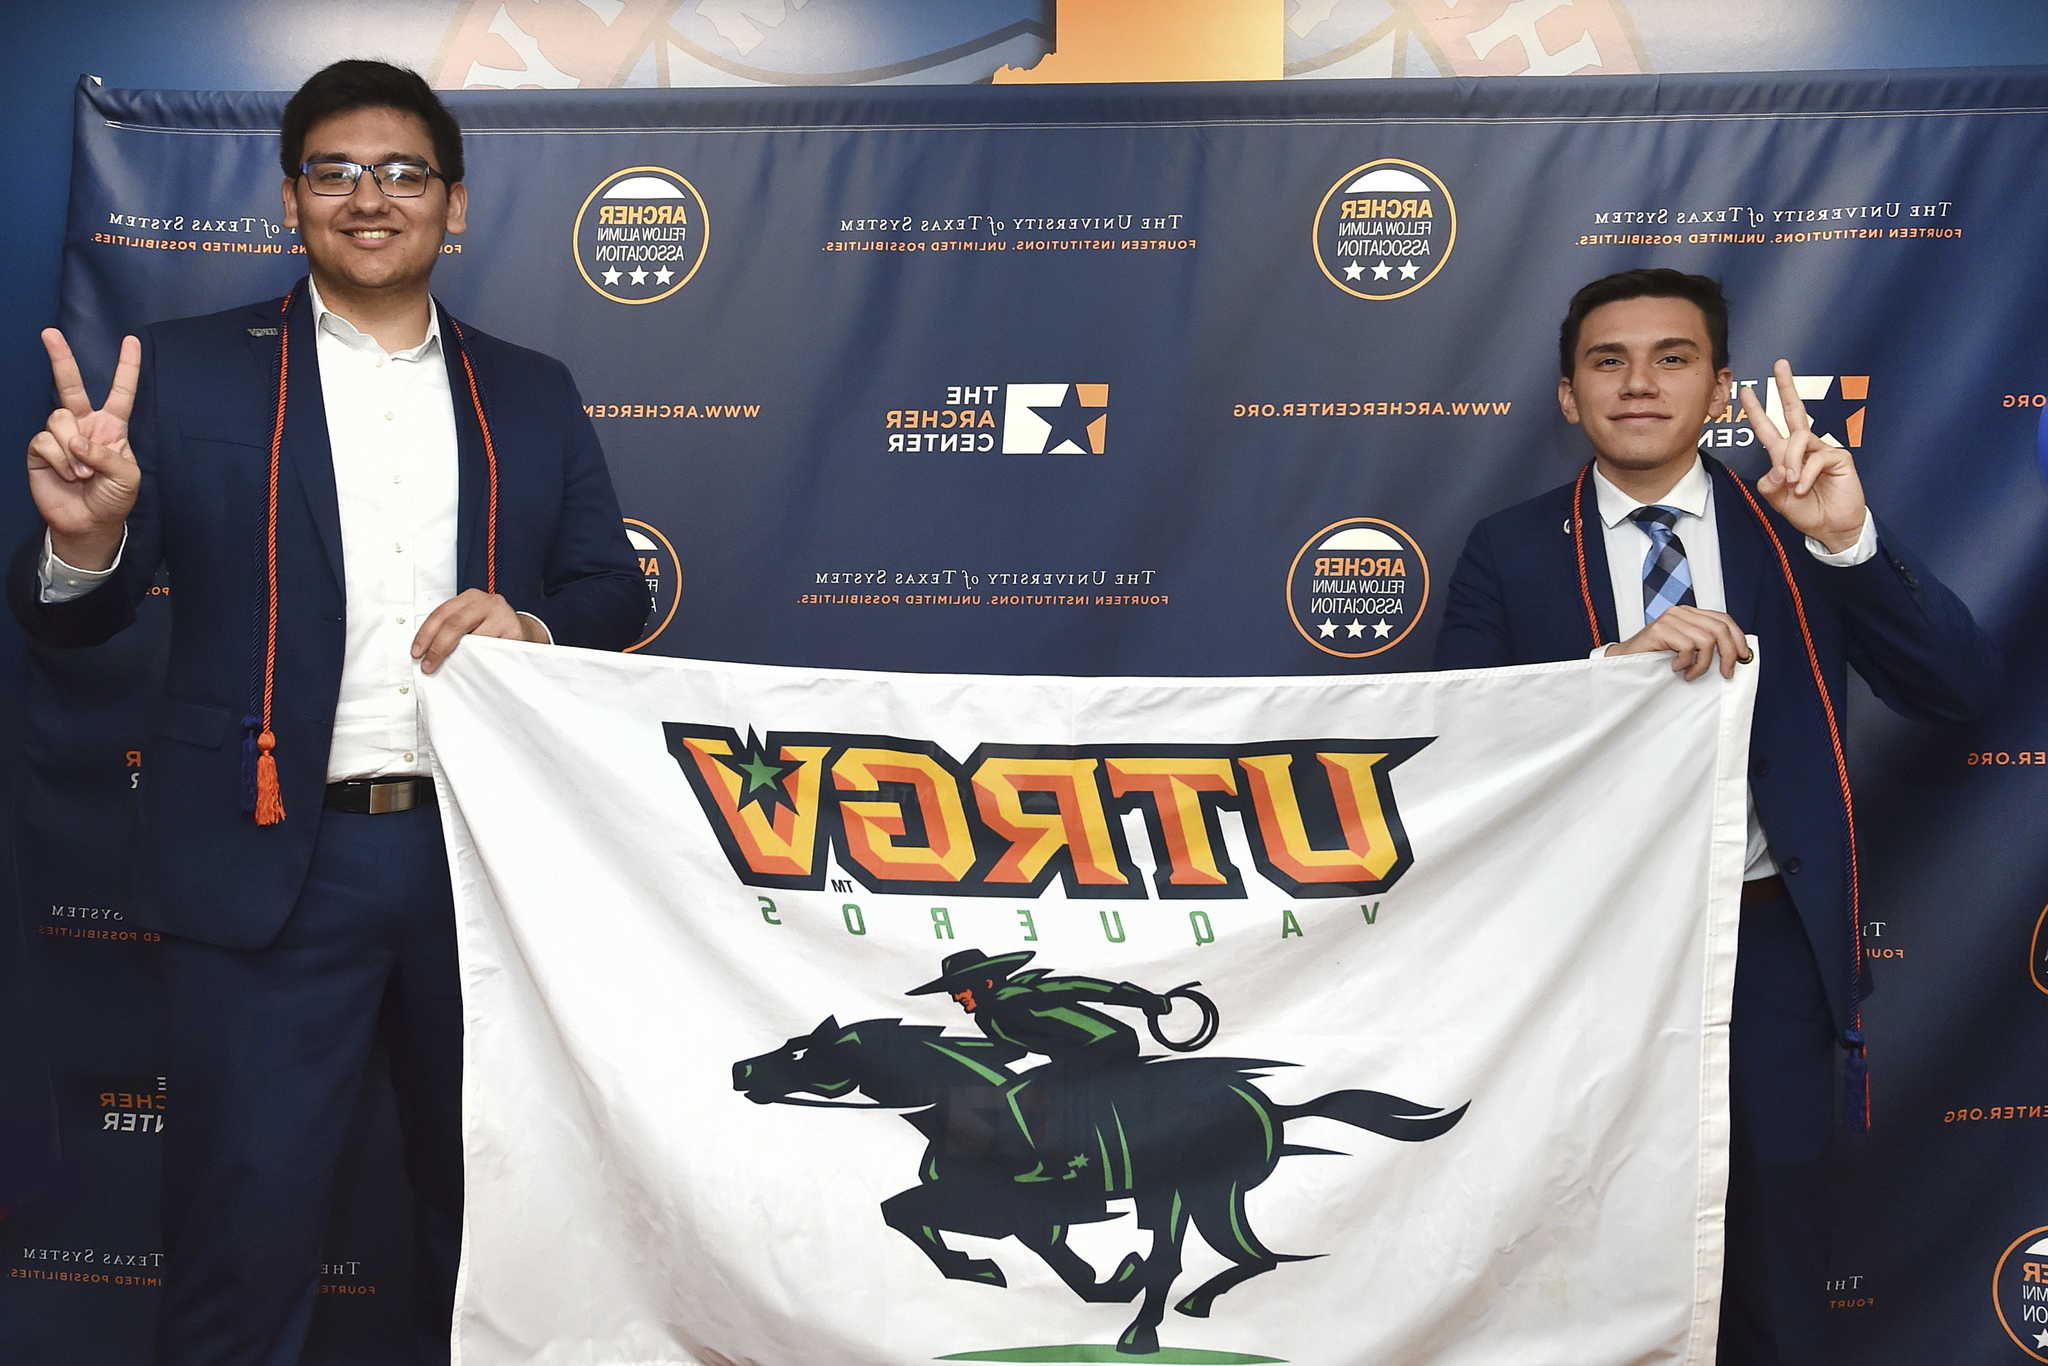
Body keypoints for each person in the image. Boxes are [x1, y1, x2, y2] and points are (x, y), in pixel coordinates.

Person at [8, 60, 647, 1366]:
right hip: (264, 866)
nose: (372, 197)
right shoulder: (186, 377)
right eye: (336, 171)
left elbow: (614, 588)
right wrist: (92, 536)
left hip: (485, 877)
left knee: (502, 1241)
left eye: (404, 172)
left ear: (453, 206)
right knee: (241, 1253)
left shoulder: (527, 385)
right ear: (290, 199)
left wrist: (530, 625)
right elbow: (75, 618)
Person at [1434, 268, 1999, 1364]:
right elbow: (1458, 748)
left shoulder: (1789, 521)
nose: (1638, 383)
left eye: (1671, 358)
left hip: (1765, 945)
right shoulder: (1507, 549)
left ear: (1719, 388)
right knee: (1577, 1246)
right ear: (1566, 395)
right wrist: (1607, 673)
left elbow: (1958, 691)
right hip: (1575, 950)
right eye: (1607, 361)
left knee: (1773, 1260)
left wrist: (1847, 543)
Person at [908, 948, 1174, 1065]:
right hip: (1074, 1059)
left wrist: (1143, 999)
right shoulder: (986, 1019)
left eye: (959, 990)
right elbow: (1010, 1052)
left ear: (986, 983)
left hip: (1107, 1045)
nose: (955, 998)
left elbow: (1078, 986)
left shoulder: (1017, 995)